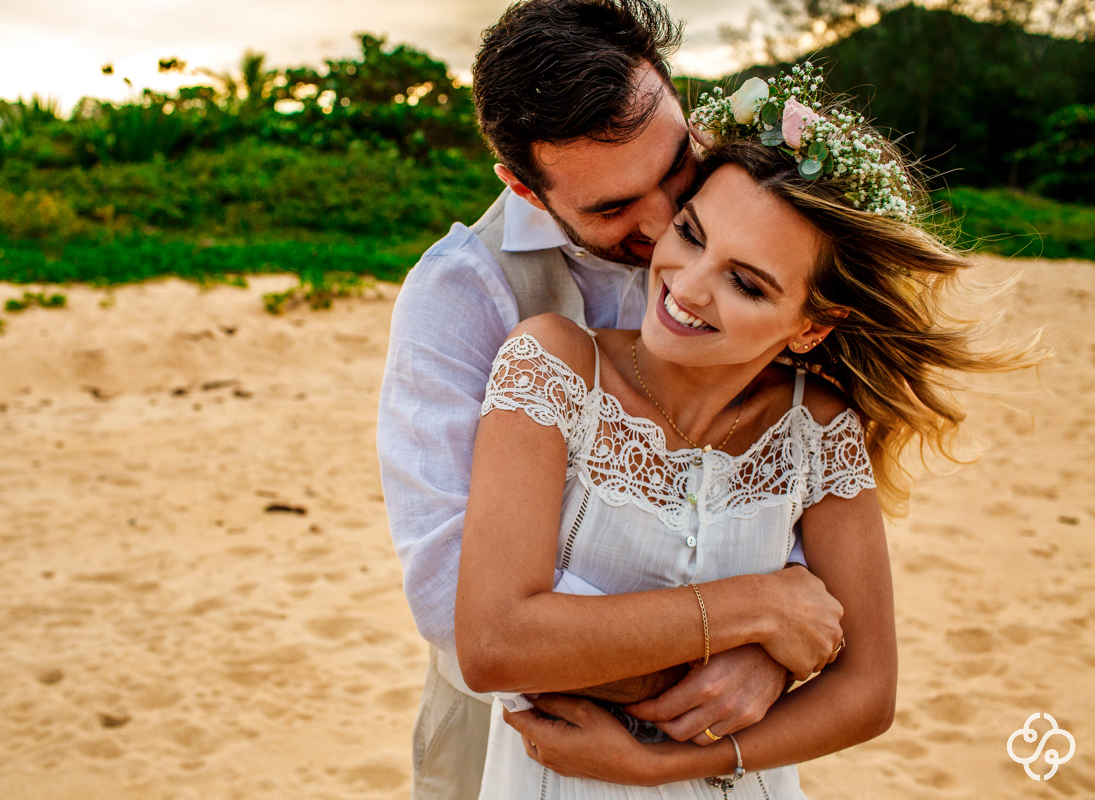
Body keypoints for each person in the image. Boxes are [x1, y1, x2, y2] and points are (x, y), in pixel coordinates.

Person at [455, 65, 1049, 797]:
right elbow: (493, 644)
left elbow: (870, 690)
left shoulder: (819, 427)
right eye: (691, 233)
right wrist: (756, 608)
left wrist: (664, 764)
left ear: (811, 327)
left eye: (747, 282)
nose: (688, 283)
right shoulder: (553, 364)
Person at [376, 2, 844, 797]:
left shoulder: (761, 223)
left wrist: (771, 656)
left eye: (672, 168)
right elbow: (455, 608)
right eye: (612, 208)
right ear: (525, 188)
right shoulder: (459, 296)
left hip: (729, 739)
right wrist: (750, 623)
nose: (663, 224)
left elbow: (804, 476)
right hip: (515, 740)